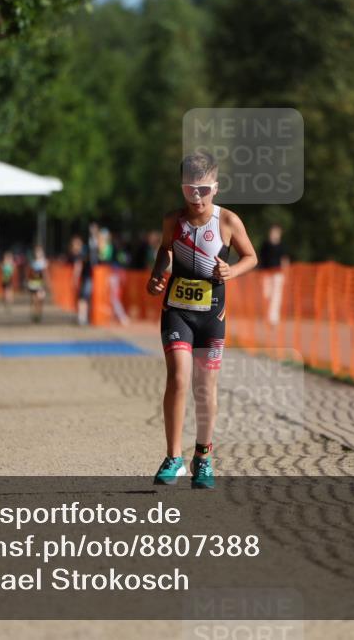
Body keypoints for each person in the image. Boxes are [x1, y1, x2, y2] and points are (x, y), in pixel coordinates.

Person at [147, 152, 258, 489]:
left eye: (204, 190)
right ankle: (173, 457)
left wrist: (231, 270)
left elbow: (251, 257)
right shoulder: (173, 221)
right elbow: (165, 250)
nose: (197, 197)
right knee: (179, 378)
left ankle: (204, 457)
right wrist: (156, 274)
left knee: (205, 387)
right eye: (189, 189)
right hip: (177, 311)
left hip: (212, 316)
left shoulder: (228, 222)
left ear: (216, 187)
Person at [258, 224, 290, 326]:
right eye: (273, 232)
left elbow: (284, 260)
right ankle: (266, 315)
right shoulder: (265, 245)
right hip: (266, 273)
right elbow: (260, 259)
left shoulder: (282, 246)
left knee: (276, 296)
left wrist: (286, 273)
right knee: (266, 295)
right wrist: (260, 273)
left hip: (277, 274)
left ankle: (273, 318)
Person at [27, 244, 50, 323]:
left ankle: (39, 314)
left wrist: (47, 283)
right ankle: (34, 314)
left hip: (41, 284)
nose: (38, 253)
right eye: (37, 252)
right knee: (34, 300)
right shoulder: (32, 262)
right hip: (33, 284)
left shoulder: (44, 262)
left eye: (40, 252)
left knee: (40, 300)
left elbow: (46, 273)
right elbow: (29, 274)